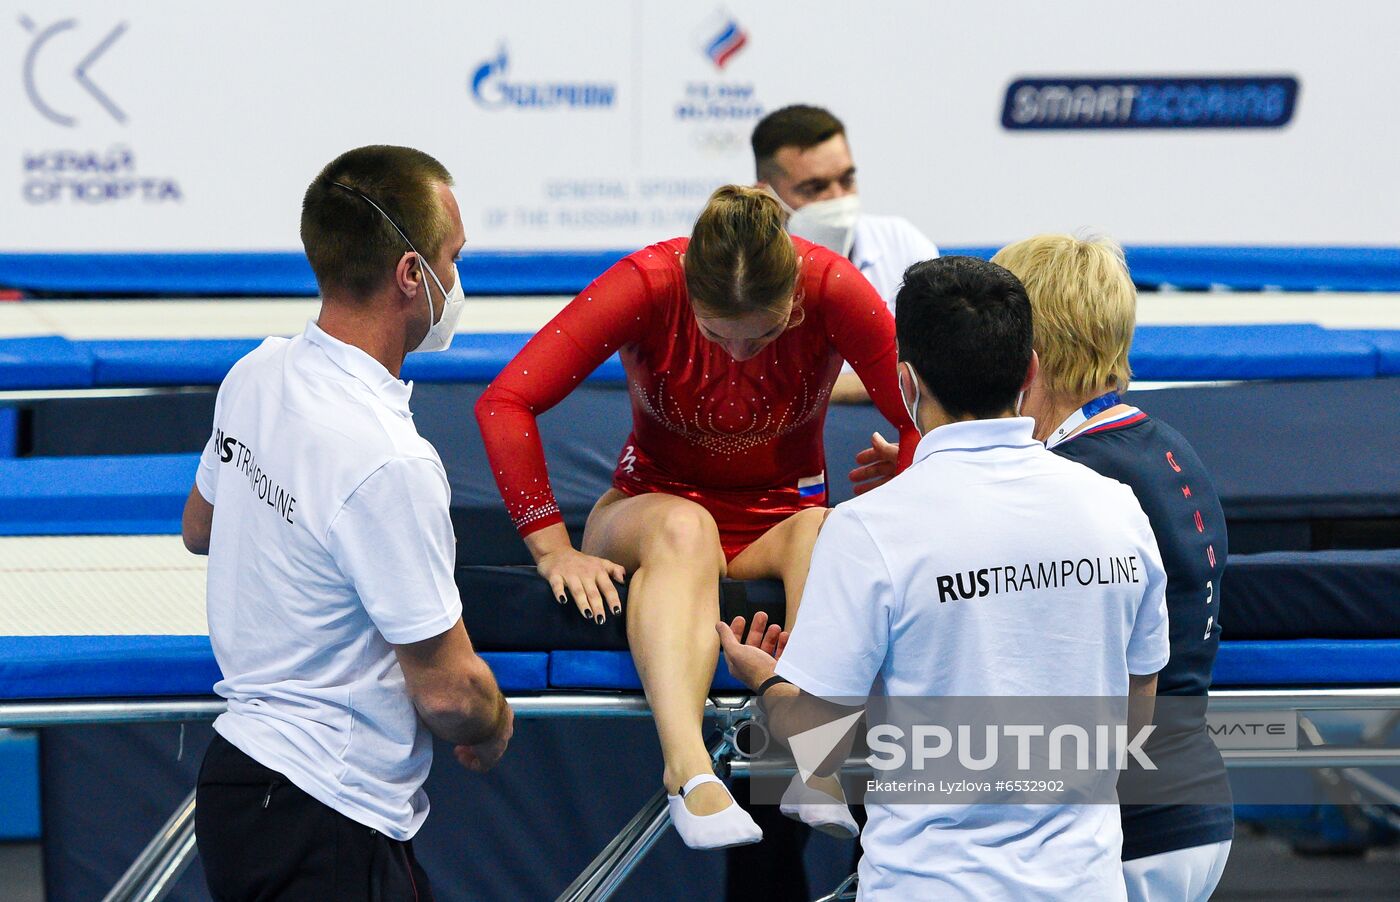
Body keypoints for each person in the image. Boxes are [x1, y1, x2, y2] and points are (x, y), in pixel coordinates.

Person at [474, 185, 920, 849]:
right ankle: (686, 771)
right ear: (688, 295)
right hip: (648, 512)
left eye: (764, 334)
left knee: (829, 532)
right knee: (689, 527)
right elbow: (505, 401)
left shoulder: (833, 287)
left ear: (795, 297)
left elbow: (924, 416)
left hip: (782, 517)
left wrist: (909, 474)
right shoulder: (647, 283)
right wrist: (553, 549)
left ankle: (811, 750)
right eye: (716, 334)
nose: (739, 355)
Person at [718, 256, 1170, 899]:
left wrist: (767, 682)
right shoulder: (1117, 508)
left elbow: (821, 739)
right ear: (1030, 370)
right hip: (1084, 883)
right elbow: (1135, 715)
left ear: (905, 383)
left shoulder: (870, 529)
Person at [183, 145, 513, 900]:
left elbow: (201, 527)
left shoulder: (256, 373)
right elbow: (449, 694)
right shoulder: (389, 460)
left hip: (239, 787)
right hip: (326, 808)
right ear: (411, 274)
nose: (458, 281)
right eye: (453, 260)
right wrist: (493, 722)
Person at [993, 233, 1233, 902]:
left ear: (1020, 351)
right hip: (1191, 815)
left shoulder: (1066, 484)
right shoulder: (1168, 448)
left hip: (1115, 835)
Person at [752, 104, 939, 403]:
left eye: (847, 180)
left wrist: (802, 391)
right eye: (814, 188)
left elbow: (936, 371)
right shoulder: (743, 268)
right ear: (766, 195)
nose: (837, 198)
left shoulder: (903, 244)